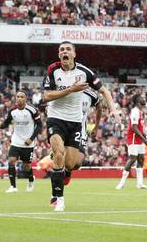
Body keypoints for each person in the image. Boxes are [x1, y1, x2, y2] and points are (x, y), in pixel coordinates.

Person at [42, 41, 116, 212]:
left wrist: (113, 109)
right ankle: (58, 198)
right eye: (61, 50)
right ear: (59, 55)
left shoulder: (85, 72)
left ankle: (63, 172)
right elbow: (46, 96)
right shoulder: (53, 70)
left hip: (75, 123)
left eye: (68, 49)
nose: (64, 52)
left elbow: (104, 91)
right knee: (59, 154)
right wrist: (70, 89)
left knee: (72, 164)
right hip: (56, 118)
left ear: (74, 54)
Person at [0, 91, 41, 193]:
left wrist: (31, 139)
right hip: (16, 141)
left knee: (26, 166)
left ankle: (31, 180)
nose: (19, 98)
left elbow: (39, 125)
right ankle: (13, 187)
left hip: (28, 143)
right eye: (17, 97)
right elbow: (6, 123)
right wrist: (0, 125)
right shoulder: (12, 111)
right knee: (11, 161)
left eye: (21, 97)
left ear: (26, 99)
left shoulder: (32, 110)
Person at [64, 88, 102, 186]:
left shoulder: (90, 95)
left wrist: (96, 127)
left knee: (77, 163)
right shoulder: (65, 90)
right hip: (64, 129)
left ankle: (67, 170)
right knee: (62, 156)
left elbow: (99, 107)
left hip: (80, 132)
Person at [116, 95, 147, 190]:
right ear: (138, 102)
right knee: (132, 159)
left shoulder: (139, 112)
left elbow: (140, 128)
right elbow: (134, 128)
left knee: (141, 159)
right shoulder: (135, 111)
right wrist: (145, 140)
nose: (143, 98)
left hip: (139, 139)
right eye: (141, 98)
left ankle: (140, 184)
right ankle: (121, 183)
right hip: (133, 138)